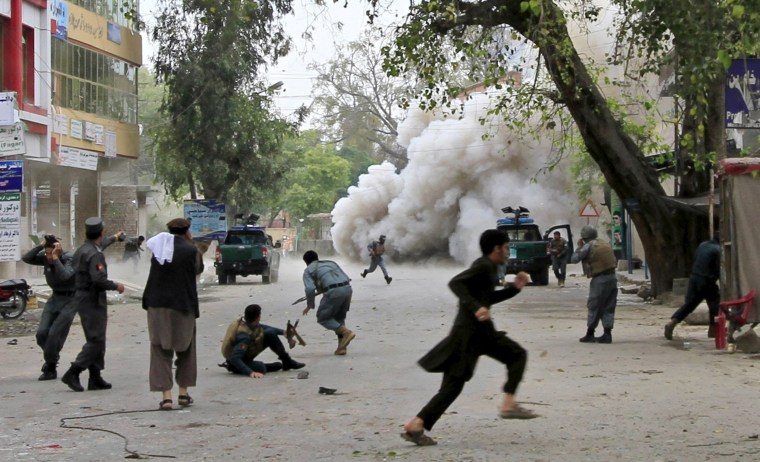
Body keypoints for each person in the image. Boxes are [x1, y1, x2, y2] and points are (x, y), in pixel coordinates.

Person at [401, 229, 536, 447]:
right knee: (515, 355)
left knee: (454, 385)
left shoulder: (490, 268)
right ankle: (508, 405)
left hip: (477, 333)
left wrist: (514, 289)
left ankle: (416, 425)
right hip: (470, 335)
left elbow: (487, 297)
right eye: (506, 247)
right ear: (497, 248)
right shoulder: (483, 265)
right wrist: (476, 308)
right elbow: (456, 283)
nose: (508, 252)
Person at [142, 218, 204, 410]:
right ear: (187, 231)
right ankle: (183, 394)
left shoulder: (159, 249)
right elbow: (198, 269)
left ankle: (166, 397)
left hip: (156, 304)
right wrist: (194, 245)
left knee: (160, 349)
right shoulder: (191, 250)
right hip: (183, 305)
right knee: (186, 348)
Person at [61, 218, 125, 392]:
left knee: (97, 337)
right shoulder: (95, 254)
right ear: (101, 233)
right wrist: (116, 285)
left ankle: (95, 377)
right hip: (92, 298)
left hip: (82, 296)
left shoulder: (83, 249)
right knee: (96, 339)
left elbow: (101, 244)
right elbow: (98, 279)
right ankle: (73, 371)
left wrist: (115, 238)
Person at [22, 234, 76, 381]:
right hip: (54, 299)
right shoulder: (45, 257)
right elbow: (26, 258)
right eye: (46, 253)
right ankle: (52, 357)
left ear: (58, 249)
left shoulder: (70, 258)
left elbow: (65, 276)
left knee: (54, 334)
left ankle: (50, 367)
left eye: (50, 252)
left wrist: (56, 258)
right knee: (41, 334)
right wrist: (41, 245)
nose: (48, 256)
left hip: (70, 300)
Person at [220, 304, 305, 379]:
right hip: (237, 362)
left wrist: (284, 332)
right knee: (261, 368)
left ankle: (287, 361)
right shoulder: (244, 336)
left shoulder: (248, 323)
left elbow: (263, 327)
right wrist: (250, 373)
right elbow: (235, 358)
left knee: (270, 333)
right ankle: (268, 366)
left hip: (246, 352)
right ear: (257, 317)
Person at [664, 235, 720, 340]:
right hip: (707, 280)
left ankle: (672, 322)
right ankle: (713, 330)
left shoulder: (702, 245)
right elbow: (719, 269)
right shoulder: (718, 250)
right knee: (715, 304)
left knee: (689, 304)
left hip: (694, 278)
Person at [570, 225, 618, 344]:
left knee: (594, 305)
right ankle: (607, 334)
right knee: (609, 305)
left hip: (600, 279)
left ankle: (590, 333)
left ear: (584, 237)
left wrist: (578, 247)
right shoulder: (604, 243)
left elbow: (574, 259)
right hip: (612, 277)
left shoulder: (588, 246)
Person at [301, 250, 356, 355]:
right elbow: (344, 276)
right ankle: (342, 348)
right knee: (339, 318)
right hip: (347, 289)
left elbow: (310, 289)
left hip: (333, 292)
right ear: (317, 257)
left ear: (306, 262)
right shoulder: (331, 263)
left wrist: (309, 305)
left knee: (323, 317)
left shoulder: (308, 270)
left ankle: (346, 333)